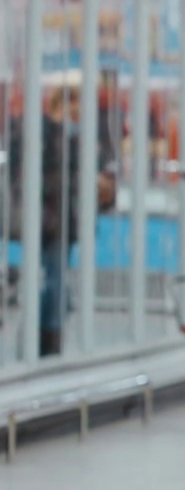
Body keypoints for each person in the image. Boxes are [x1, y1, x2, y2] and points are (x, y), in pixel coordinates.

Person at [10, 88, 116, 358]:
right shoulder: (45, 135)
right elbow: (39, 179)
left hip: (63, 221)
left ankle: (44, 337)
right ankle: (47, 338)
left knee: (54, 279)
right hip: (49, 220)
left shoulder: (73, 138)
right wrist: (82, 179)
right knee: (54, 281)